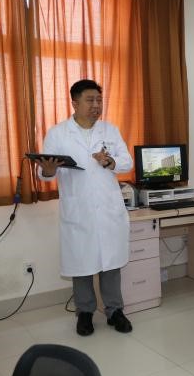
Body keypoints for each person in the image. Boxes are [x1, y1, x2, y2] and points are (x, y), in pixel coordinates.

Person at [36, 79, 133, 337]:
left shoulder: (110, 130)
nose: (96, 105)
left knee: (111, 263)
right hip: (78, 209)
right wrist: (48, 170)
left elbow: (127, 162)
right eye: (90, 100)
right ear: (75, 103)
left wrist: (110, 161)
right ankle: (85, 313)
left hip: (108, 208)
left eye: (99, 100)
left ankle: (115, 310)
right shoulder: (58, 133)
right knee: (81, 264)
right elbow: (44, 171)